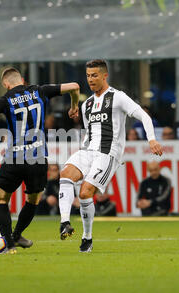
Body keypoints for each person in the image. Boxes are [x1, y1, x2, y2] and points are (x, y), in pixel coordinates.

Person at [0, 67, 80, 254]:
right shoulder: (39, 91)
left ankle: (10, 245)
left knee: (1, 198)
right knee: (33, 200)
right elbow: (75, 86)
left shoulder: (6, 99)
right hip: (38, 159)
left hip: (15, 157)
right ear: (23, 80)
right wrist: (74, 106)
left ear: (6, 84)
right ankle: (17, 234)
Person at [58, 59, 163, 252]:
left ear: (105, 75)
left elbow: (143, 116)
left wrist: (152, 140)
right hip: (87, 151)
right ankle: (64, 222)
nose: (91, 79)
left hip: (108, 154)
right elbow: (89, 132)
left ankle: (87, 238)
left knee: (85, 193)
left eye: (95, 75)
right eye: (88, 76)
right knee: (65, 174)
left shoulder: (118, 97)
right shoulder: (87, 104)